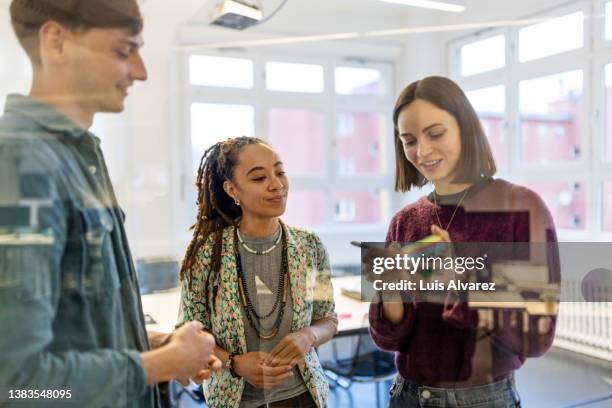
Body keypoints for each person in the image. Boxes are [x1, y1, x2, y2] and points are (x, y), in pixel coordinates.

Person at [0, 1, 220, 407]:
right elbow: (18, 384)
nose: (140, 71)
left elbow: (73, 328)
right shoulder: (22, 164)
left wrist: (151, 347)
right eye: (123, 51)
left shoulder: (76, 154)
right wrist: (162, 364)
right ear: (56, 42)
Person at [368, 76, 560, 407]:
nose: (422, 151)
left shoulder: (520, 208)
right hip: (407, 396)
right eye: (409, 140)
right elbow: (389, 339)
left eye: (436, 133)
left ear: (465, 127)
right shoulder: (404, 221)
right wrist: (390, 294)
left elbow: (536, 336)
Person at [179, 137, 338, 408]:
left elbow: (328, 319)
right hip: (235, 400)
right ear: (232, 189)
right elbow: (189, 333)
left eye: (280, 172)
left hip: (304, 398)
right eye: (259, 178)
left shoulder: (310, 246)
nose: (276, 184)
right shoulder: (208, 254)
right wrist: (234, 363)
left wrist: (308, 336)